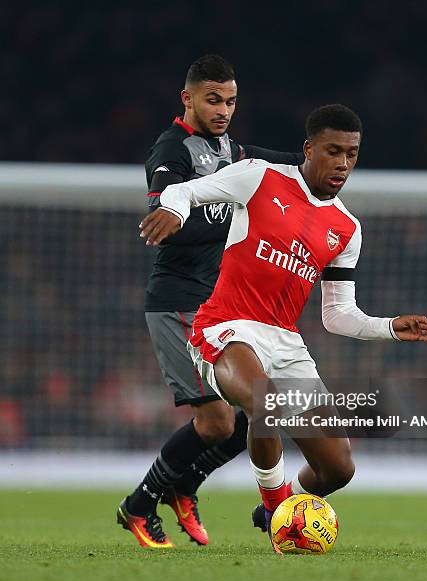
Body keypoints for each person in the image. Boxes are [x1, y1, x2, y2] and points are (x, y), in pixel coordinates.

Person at [138, 103, 427, 552]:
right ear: (308, 148)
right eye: (333, 151)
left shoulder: (347, 228)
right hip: (226, 326)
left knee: (338, 468)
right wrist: (176, 211)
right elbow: (187, 192)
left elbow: (337, 315)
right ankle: (280, 512)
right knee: (266, 403)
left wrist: (390, 327)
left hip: (285, 343)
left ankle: (276, 511)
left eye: (351, 154)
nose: (342, 163)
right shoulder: (260, 176)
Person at [117, 55, 304, 549]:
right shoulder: (172, 150)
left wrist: (313, 165)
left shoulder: (231, 149)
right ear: (188, 98)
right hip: (179, 300)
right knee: (219, 420)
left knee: (255, 411)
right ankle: (139, 505)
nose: (223, 109)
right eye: (213, 99)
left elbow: (276, 164)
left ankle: (185, 486)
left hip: (218, 305)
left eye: (231, 101)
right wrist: (206, 217)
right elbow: (163, 216)